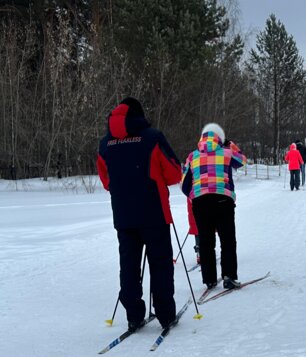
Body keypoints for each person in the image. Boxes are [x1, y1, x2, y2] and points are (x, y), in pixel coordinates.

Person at [96, 97, 183, 331]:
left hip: (124, 216)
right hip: (154, 212)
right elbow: (175, 173)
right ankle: (165, 314)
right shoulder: (152, 138)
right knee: (161, 264)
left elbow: (106, 181)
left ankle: (134, 315)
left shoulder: (106, 144)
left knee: (129, 265)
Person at [182, 123, 247, 290]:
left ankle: (209, 279)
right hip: (223, 200)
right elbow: (242, 161)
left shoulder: (192, 156)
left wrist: (194, 195)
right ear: (220, 139)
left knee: (205, 241)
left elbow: (184, 183)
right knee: (227, 240)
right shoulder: (227, 152)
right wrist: (231, 145)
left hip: (200, 202)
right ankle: (229, 276)